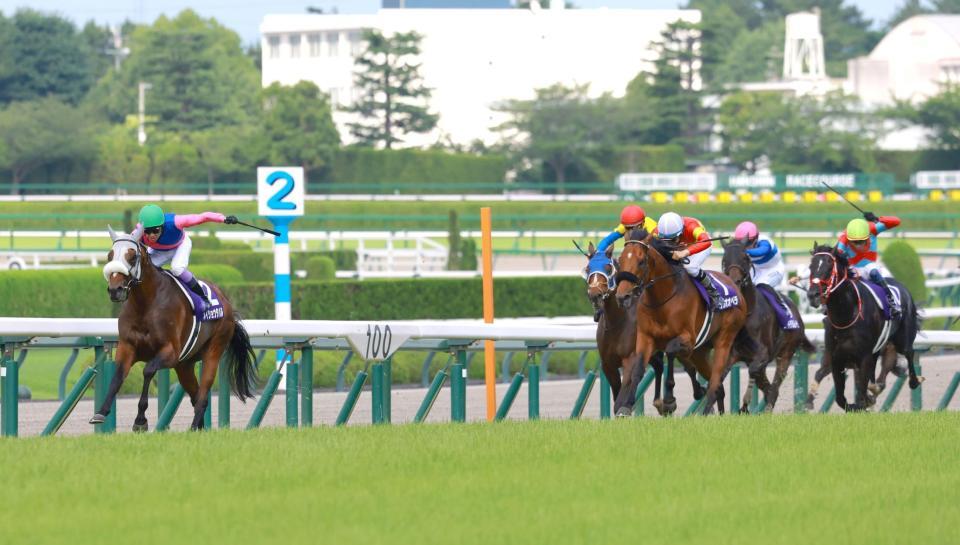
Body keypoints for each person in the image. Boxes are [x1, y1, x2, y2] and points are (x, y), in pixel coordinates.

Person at [137, 204, 238, 309]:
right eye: (147, 231)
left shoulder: (176, 222)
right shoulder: (138, 232)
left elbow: (203, 217)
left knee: (177, 269)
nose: (151, 235)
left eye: (156, 230)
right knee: (142, 269)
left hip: (180, 245)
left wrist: (223, 218)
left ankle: (203, 297)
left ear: (163, 226)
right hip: (159, 250)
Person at [836, 211, 901, 317]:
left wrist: (878, 219)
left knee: (873, 272)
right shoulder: (844, 237)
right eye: (855, 242)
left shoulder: (872, 229)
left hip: (870, 265)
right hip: (854, 268)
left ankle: (892, 302)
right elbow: (837, 253)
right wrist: (840, 255)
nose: (858, 245)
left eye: (861, 241)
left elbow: (896, 221)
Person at [655, 212, 718, 309]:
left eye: (673, 240)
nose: (669, 244)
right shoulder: (658, 231)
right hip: (682, 246)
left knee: (690, 267)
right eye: (666, 241)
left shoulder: (692, 226)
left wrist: (685, 252)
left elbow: (707, 241)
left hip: (700, 244)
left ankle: (713, 292)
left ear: (682, 231)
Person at [733, 221, 785, 289]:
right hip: (755, 270)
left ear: (756, 238)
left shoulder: (764, 241)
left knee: (761, 288)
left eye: (748, 242)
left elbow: (762, 250)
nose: (745, 245)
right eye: (741, 242)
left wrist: (744, 251)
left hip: (773, 270)